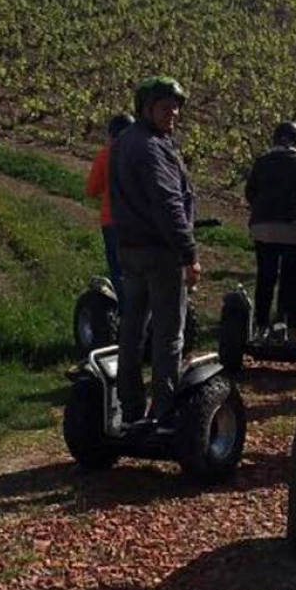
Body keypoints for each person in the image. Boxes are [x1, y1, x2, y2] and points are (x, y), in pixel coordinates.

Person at [109, 76, 198, 426]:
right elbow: (168, 204)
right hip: (160, 252)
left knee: (132, 329)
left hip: (130, 248)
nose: (173, 112)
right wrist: (188, 253)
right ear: (146, 109)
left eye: (176, 106)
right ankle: (166, 410)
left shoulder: (125, 141)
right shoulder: (151, 147)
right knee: (168, 334)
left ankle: (130, 407)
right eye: (165, 106)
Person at [245, 122, 296, 339]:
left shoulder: (261, 162)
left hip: (264, 227)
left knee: (266, 276)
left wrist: (262, 210)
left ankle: (260, 326)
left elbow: (250, 192)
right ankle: (294, 328)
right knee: (293, 278)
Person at [85, 113, 135, 303]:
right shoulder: (143, 154)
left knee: (118, 270)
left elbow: (91, 190)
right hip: (139, 221)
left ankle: (126, 315)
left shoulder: (105, 154)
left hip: (112, 220)